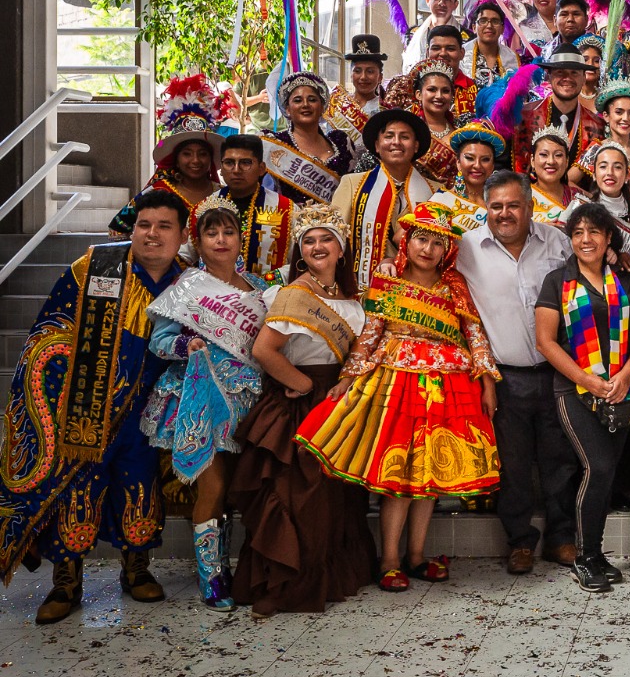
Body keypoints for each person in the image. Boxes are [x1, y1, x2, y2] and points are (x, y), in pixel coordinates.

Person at [0, 190, 186, 623]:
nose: (152, 234)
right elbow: (51, 328)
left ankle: (136, 568)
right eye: (144, 225)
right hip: (88, 406)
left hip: (151, 412)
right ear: (133, 228)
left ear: (180, 234)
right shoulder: (97, 266)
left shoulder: (190, 282)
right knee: (78, 490)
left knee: (139, 485)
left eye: (164, 226)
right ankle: (66, 581)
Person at [299, 203, 500, 592]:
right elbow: (371, 334)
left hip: (449, 386)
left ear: (447, 250)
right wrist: (348, 377)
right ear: (407, 242)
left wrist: (488, 380)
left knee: (430, 476)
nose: (428, 249)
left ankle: (416, 556)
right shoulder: (386, 281)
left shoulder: (454, 285)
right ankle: (389, 559)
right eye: (421, 239)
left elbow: (474, 334)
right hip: (397, 385)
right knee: (399, 476)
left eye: (437, 243)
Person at [232, 202, 376, 614]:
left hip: (339, 399)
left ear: (341, 249)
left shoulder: (352, 298)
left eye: (326, 239)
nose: (317, 246)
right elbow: (266, 350)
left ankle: (328, 578)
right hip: (302, 398)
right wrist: (305, 385)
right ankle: (289, 583)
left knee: (333, 496)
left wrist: (343, 384)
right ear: (299, 250)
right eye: (308, 240)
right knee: (299, 493)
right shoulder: (291, 294)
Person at [141, 195, 269, 612]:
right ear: (197, 241)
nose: (220, 239)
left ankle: (231, 567)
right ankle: (211, 576)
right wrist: (186, 342)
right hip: (201, 396)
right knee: (212, 487)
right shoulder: (187, 288)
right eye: (210, 232)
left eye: (228, 231)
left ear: (240, 239)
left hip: (249, 400)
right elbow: (159, 341)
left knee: (236, 487)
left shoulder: (260, 289)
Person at [455, 171, 581, 571]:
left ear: (529, 207)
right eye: (496, 207)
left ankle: (561, 539)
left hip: (558, 371)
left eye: (513, 205)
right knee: (513, 463)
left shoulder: (558, 243)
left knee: (560, 460)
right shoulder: (466, 249)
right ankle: (520, 542)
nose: (504, 214)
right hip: (504, 377)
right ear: (485, 209)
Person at [535, 202, 630, 592]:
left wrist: (626, 374)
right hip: (574, 389)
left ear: (608, 239)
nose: (585, 240)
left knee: (606, 473)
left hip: (619, 387)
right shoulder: (558, 281)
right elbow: (546, 341)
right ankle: (585, 557)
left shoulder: (625, 279)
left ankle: (597, 554)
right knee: (598, 467)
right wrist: (587, 379)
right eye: (578, 233)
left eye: (594, 233)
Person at [330, 106, 437, 288]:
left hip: (415, 294)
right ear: (377, 146)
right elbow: (333, 237)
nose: (396, 142)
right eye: (388, 136)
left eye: (405, 137)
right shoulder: (352, 184)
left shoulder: (435, 192)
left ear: (416, 145)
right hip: (361, 287)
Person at [110, 74, 229, 236]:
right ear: (176, 160)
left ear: (211, 158)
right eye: (187, 154)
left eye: (202, 154)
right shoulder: (158, 192)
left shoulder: (224, 194)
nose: (195, 160)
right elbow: (116, 229)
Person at [504, 42, 602, 178]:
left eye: (574, 72)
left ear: (584, 77)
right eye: (560, 72)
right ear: (548, 76)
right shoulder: (523, 117)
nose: (567, 78)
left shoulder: (597, 126)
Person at [260, 71, 359, 205]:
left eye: (312, 99)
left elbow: (353, 191)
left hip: (337, 225)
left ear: (322, 107)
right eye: (297, 100)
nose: (305, 104)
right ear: (287, 109)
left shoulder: (341, 142)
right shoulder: (274, 142)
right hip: (287, 224)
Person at [217, 133, 293, 277]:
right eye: (229, 163)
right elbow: (186, 256)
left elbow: (299, 259)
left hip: (271, 295)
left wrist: (266, 282)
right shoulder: (205, 207)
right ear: (221, 167)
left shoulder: (285, 209)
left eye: (245, 163)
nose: (236, 170)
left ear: (261, 168)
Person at [571, 142, 630, 250]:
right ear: (594, 175)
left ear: (627, 176)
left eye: (617, 167)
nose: (610, 172)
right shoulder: (580, 208)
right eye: (603, 166)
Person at [430, 119, 505, 231]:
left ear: (493, 166)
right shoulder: (443, 200)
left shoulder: (503, 202)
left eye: (485, 160)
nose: (477, 165)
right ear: (458, 163)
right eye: (470, 158)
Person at [403, 62, 465, 185]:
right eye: (432, 89)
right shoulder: (409, 129)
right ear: (418, 94)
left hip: (455, 200)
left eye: (445, 91)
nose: (439, 96)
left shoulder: (462, 128)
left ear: (452, 96)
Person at [401, 0, 460, 68]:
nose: (442, 3)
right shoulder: (412, 34)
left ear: (455, 5)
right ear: (428, 0)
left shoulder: (466, 37)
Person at [525, 126, 580, 225]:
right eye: (544, 155)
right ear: (532, 160)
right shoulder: (522, 196)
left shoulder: (577, 197)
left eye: (558, 155)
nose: (551, 161)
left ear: (567, 161)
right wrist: (542, 229)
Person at [465, 0, 520, 90]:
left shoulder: (512, 58)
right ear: (474, 27)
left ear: (502, 29)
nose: (489, 26)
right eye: (483, 21)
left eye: (495, 21)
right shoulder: (461, 55)